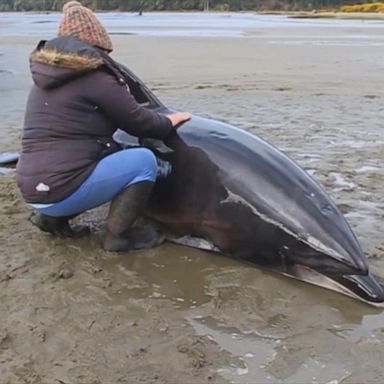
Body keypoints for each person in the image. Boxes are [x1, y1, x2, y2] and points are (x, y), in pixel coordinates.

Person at [16, 1, 191, 252]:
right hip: (62, 188)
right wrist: (170, 121)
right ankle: (118, 237)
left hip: (32, 189)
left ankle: (52, 220)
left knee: (75, 161)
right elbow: (140, 123)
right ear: (96, 46)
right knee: (143, 161)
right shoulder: (94, 77)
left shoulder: (43, 81)